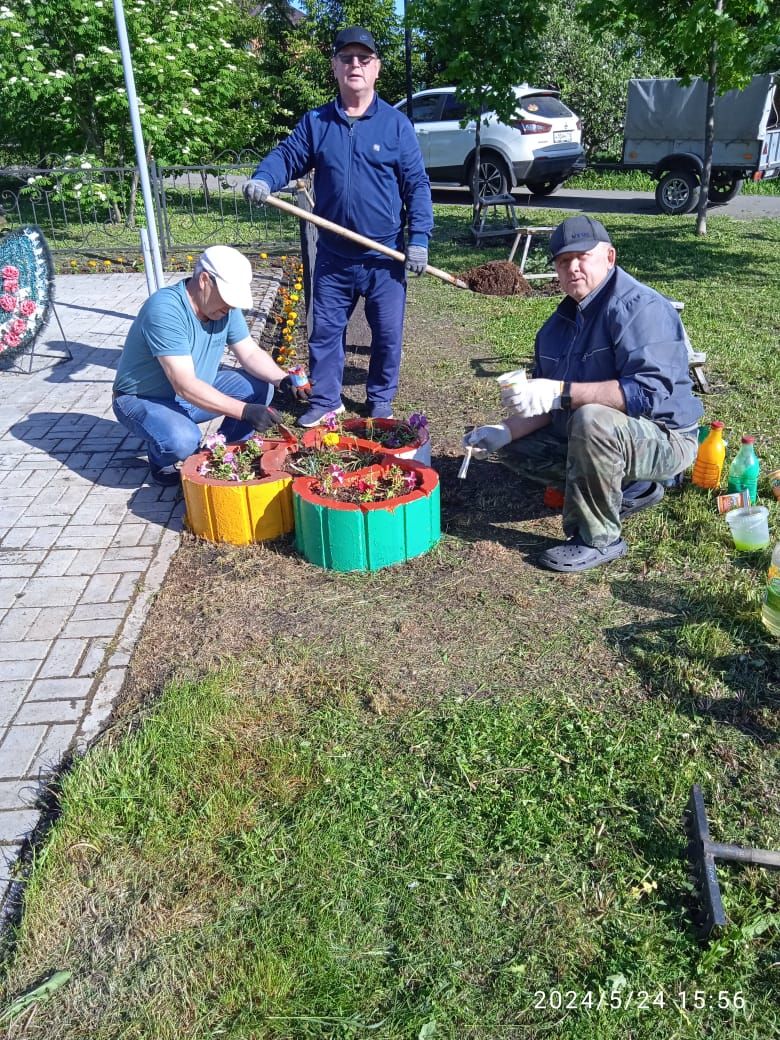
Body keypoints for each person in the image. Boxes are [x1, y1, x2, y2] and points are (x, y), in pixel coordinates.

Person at [464, 216, 704, 573]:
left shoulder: (641, 308)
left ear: (609, 257)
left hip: (666, 438)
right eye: (563, 261)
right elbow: (550, 403)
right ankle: (631, 488)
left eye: (582, 257)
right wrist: (505, 430)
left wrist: (560, 392)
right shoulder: (555, 328)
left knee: (592, 419)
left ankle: (598, 538)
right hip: (609, 435)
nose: (573, 267)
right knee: (514, 448)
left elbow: (646, 395)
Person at [244, 26, 434, 427]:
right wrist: (265, 178)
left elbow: (416, 185)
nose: (355, 66)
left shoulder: (396, 126)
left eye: (363, 59)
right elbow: (287, 156)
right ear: (334, 66)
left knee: (386, 336)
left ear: (376, 68)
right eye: (346, 58)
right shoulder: (317, 123)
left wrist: (418, 238)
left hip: (384, 257)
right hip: (333, 255)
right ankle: (327, 400)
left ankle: (380, 398)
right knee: (325, 334)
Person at [112, 245, 308, 485]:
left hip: (193, 390)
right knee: (182, 440)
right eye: (227, 298)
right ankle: (161, 458)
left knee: (261, 387)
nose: (230, 307)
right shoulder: (165, 310)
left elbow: (248, 352)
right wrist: (244, 411)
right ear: (205, 280)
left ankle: (219, 454)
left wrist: (282, 380)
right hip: (142, 398)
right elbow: (184, 385)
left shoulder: (222, 308)